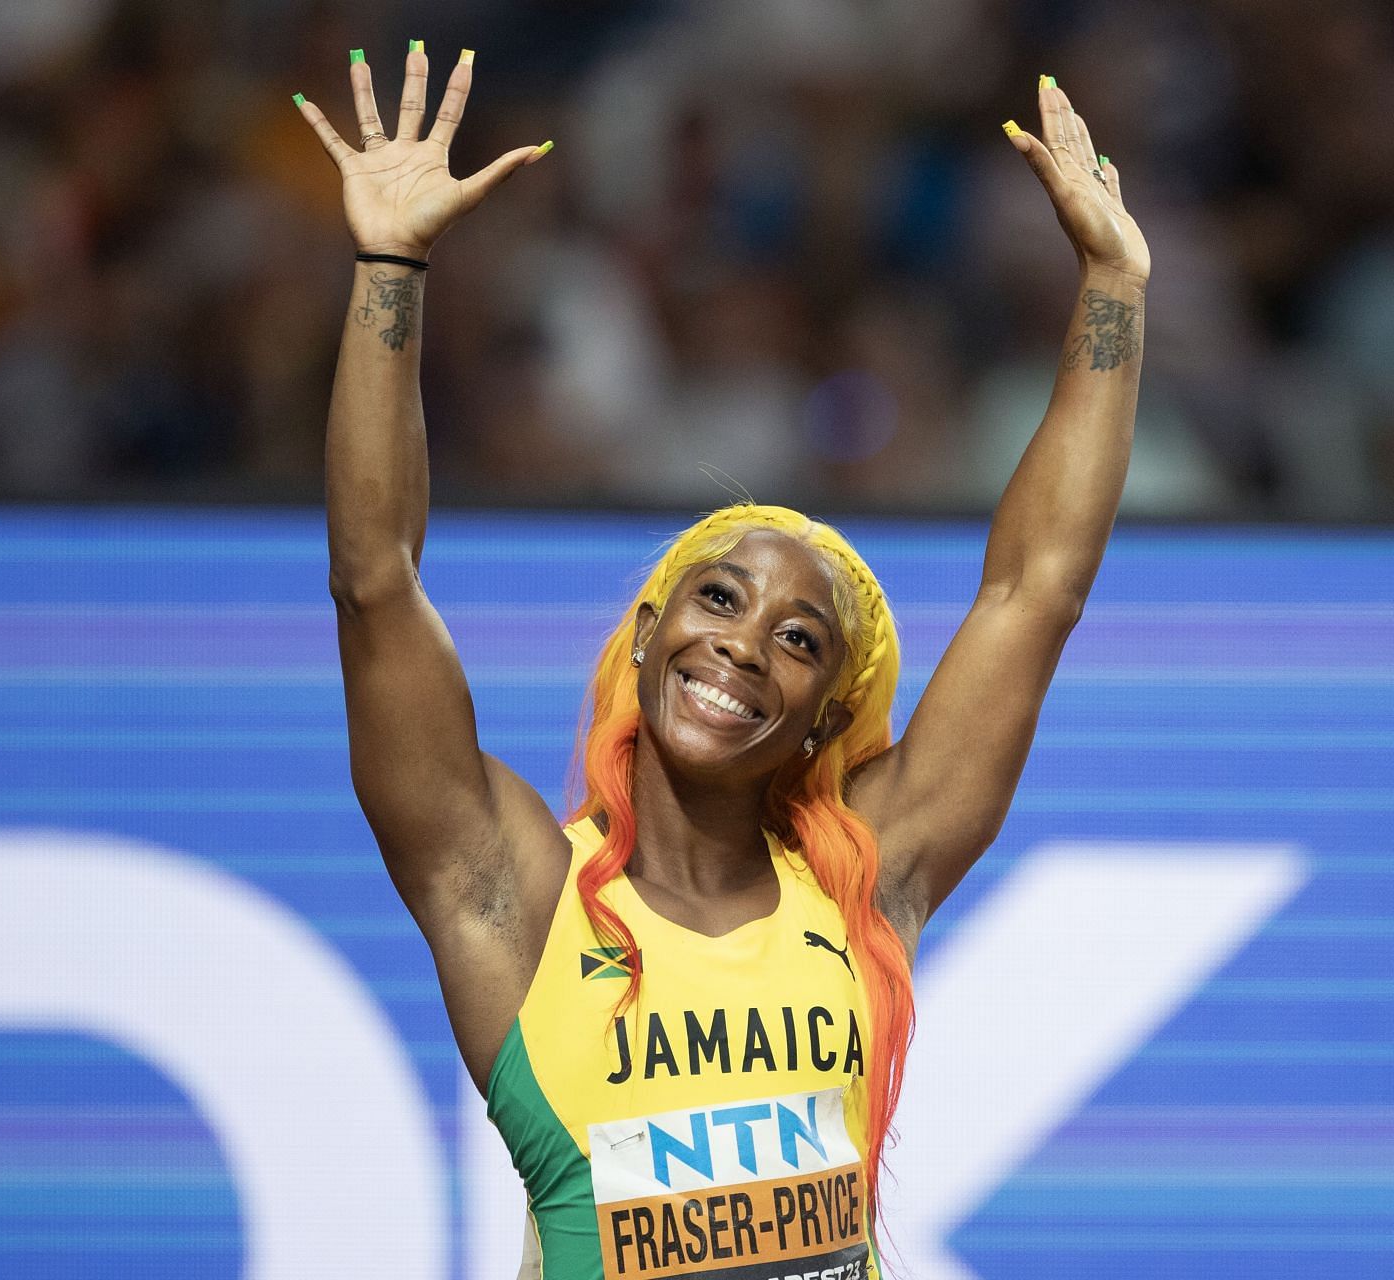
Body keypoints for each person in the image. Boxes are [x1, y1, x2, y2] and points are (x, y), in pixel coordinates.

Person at [297, 43, 1148, 1279]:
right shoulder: (515, 893)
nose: (743, 644)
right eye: (718, 597)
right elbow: (376, 580)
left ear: (821, 716)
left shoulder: (869, 880)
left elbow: (1035, 591)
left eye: (800, 640)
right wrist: (390, 266)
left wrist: (1114, 285)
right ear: (645, 636)